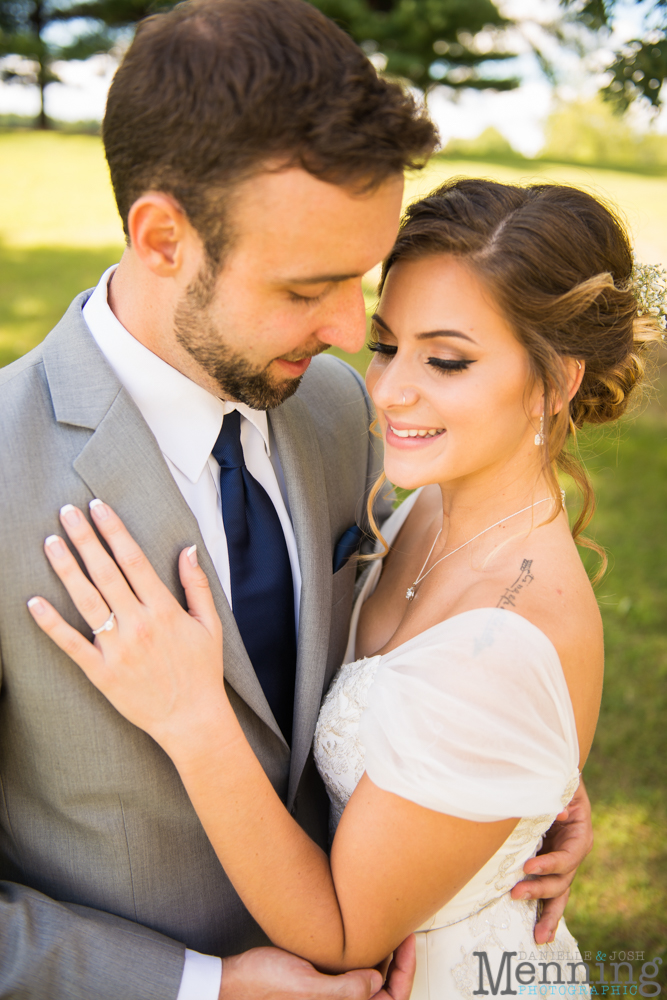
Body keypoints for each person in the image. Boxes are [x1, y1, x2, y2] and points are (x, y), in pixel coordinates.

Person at [0, 0, 592, 995]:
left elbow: (407, 658)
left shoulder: (334, 408)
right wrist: (201, 985)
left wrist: (503, 790)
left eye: (360, 278)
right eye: (305, 285)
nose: (347, 326)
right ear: (161, 237)